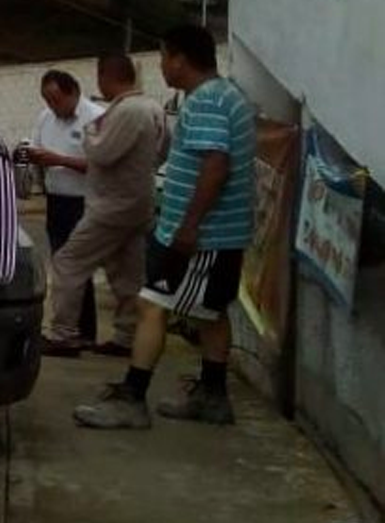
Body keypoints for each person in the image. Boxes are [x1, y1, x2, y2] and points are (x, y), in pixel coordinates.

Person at [75, 25, 256, 429]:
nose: (161, 67)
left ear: (180, 58)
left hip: (201, 236)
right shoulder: (224, 96)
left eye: (163, 57)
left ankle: (133, 398)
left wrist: (188, 227)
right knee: (208, 314)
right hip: (215, 234)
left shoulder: (207, 100)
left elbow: (216, 164)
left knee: (153, 306)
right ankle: (213, 396)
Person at [39, 54, 165, 358]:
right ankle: (126, 335)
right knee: (126, 273)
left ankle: (64, 334)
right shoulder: (153, 108)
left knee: (69, 262)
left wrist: (91, 133)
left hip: (111, 205)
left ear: (106, 77)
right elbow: (163, 151)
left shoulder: (123, 111)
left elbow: (102, 153)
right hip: (138, 201)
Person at [27, 70, 103, 347]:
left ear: (73, 92)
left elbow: (101, 164)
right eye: (47, 100)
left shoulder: (95, 117)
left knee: (74, 266)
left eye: (57, 100)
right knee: (63, 263)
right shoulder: (45, 117)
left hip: (85, 200)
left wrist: (59, 159)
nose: (52, 106)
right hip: (56, 198)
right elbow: (34, 147)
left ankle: (73, 331)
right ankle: (79, 330)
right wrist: (33, 158)